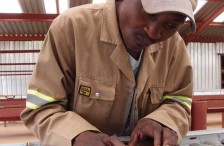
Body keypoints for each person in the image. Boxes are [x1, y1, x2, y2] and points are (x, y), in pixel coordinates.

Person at [21, 0, 197, 145]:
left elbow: (178, 101)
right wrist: (75, 136)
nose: (153, 32)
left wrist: (161, 121)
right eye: (149, 14)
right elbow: (41, 108)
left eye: (170, 25)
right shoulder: (71, 27)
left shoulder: (174, 46)